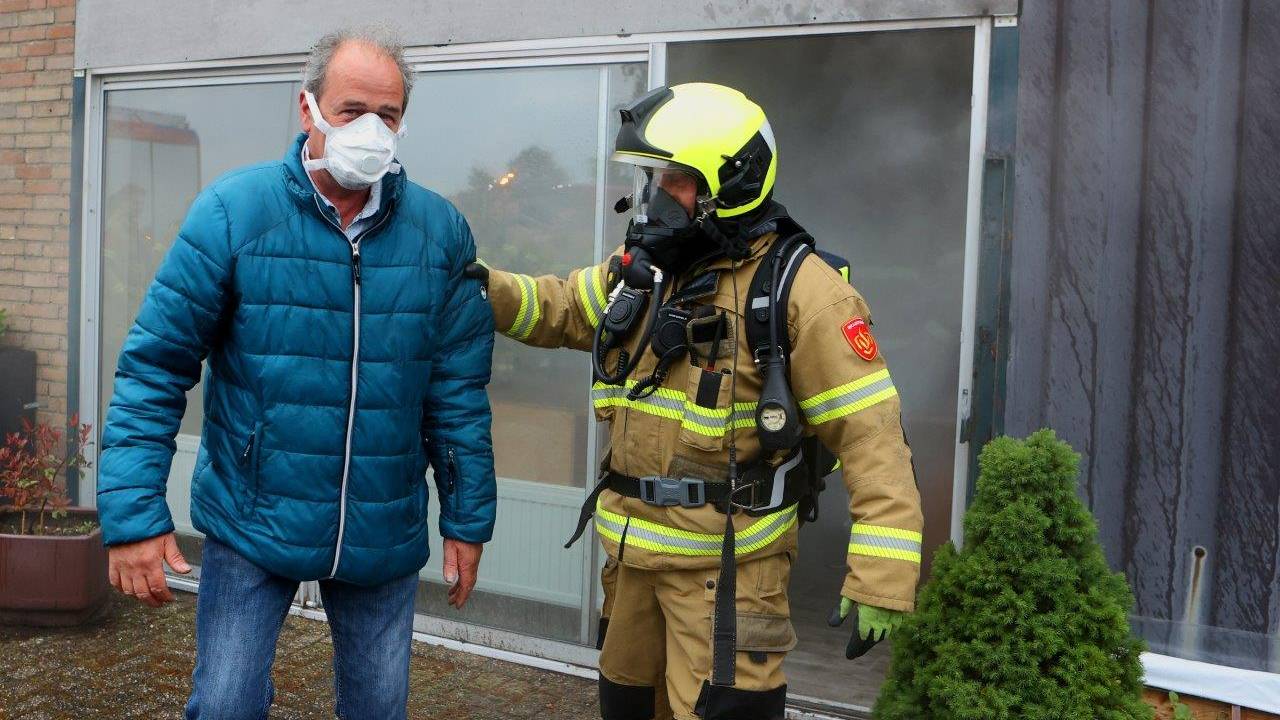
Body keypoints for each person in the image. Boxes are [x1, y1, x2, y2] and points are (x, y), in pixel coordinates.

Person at [467, 82, 924, 720]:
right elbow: (560, 308)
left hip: (728, 576)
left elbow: (873, 437)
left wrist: (883, 574)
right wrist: (477, 286)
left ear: (730, 184)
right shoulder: (647, 271)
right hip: (630, 564)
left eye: (676, 179)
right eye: (656, 176)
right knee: (626, 708)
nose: (657, 196)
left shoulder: (803, 293)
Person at [96, 28, 496, 720]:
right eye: (352, 110)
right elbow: (154, 367)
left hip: (381, 522)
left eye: (389, 115)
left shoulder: (440, 232)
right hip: (253, 515)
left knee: (377, 709)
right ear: (307, 109)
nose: (372, 128)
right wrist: (133, 515)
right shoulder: (234, 213)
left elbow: (456, 390)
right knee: (224, 705)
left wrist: (468, 518)